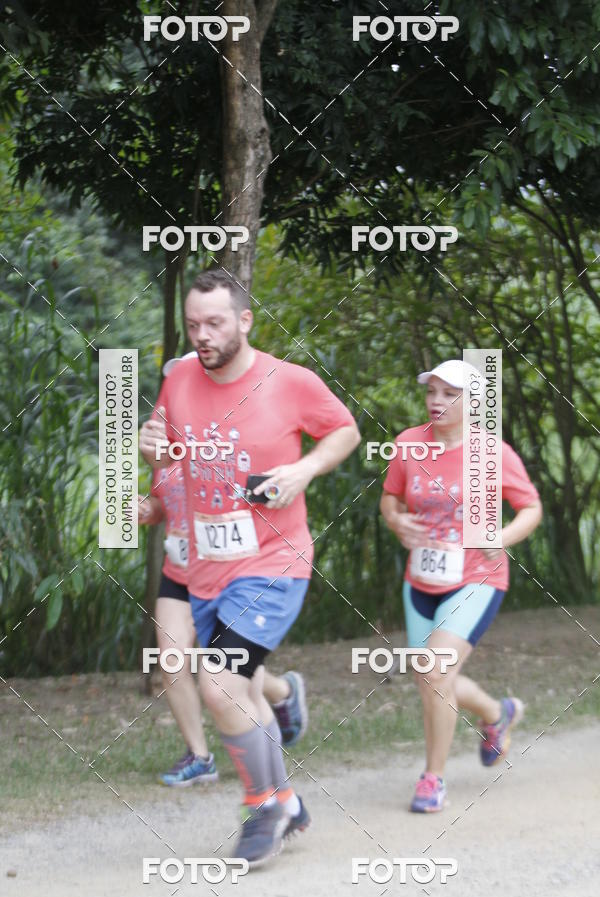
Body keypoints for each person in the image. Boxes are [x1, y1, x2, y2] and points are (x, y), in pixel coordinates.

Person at [139, 268, 360, 864]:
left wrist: (304, 470)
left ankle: (263, 806)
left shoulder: (288, 382)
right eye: (192, 326)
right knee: (243, 693)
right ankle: (286, 798)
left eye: (213, 323)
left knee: (221, 683)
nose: (201, 336)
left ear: (244, 320)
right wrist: (149, 448)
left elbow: (344, 430)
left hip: (273, 561)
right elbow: (158, 440)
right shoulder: (182, 377)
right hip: (207, 565)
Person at [138, 356, 312, 787]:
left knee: (222, 668)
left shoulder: (228, 445)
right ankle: (199, 756)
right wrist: (146, 510)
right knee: (174, 658)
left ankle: (281, 696)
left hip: (232, 571)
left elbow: (264, 491)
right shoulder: (163, 455)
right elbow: (162, 504)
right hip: (180, 569)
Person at [380, 359, 542, 813]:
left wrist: (500, 537)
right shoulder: (408, 444)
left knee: (434, 671)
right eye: (431, 392)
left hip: (477, 577)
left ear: (473, 402)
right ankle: (497, 713)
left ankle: (432, 779)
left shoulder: (493, 452)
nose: (436, 401)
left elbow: (530, 508)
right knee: (431, 677)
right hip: (422, 579)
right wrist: (397, 521)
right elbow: (390, 499)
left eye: (448, 394)